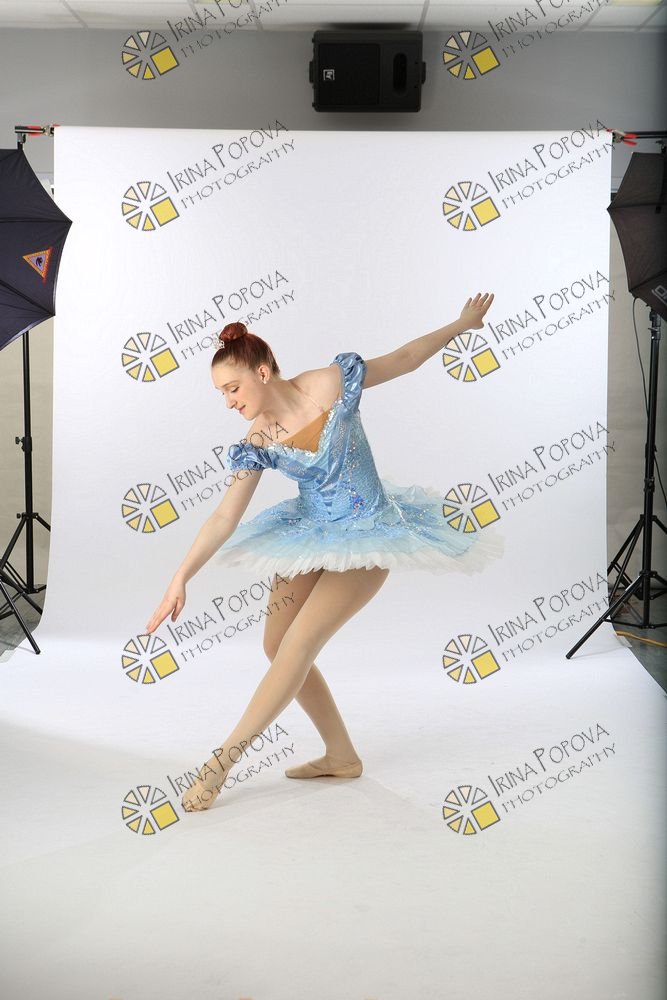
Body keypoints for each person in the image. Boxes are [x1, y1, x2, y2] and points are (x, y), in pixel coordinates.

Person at [145, 292, 497, 812]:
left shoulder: (330, 383)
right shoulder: (258, 439)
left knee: (297, 646)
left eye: (233, 389)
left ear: (263, 371)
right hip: (310, 534)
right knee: (276, 644)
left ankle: (222, 761)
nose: (229, 402)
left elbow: (404, 358)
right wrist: (180, 577)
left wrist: (461, 324)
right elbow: (224, 516)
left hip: (369, 534)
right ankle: (341, 755)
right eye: (221, 394)